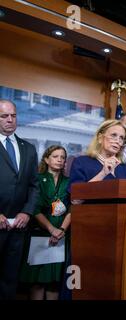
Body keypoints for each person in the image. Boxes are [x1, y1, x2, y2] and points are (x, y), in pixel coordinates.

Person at [20, 145, 71, 300]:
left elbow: (72, 208)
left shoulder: (69, 182)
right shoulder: (37, 179)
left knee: (54, 282)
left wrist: (61, 230)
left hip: (61, 236)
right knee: (37, 282)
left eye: (62, 157)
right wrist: (51, 229)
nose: (59, 160)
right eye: (55, 156)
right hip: (39, 235)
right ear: (47, 159)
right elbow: (34, 209)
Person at [0, 99, 39, 300]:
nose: (10, 120)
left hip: (18, 227)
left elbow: (34, 186)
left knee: (10, 278)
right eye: (4, 116)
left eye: (13, 116)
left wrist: (27, 211)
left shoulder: (29, 149)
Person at [69, 119, 126, 189]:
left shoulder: (125, 168)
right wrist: (103, 174)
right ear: (100, 138)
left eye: (121, 138)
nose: (118, 141)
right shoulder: (81, 162)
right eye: (113, 135)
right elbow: (76, 199)